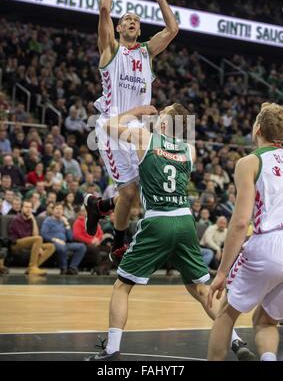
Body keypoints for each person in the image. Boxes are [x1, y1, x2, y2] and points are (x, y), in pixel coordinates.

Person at [85, 104, 255, 361]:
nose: (157, 115)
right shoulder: (190, 149)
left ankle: (111, 350)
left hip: (159, 221)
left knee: (122, 286)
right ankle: (237, 341)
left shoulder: (145, 137)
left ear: (165, 123)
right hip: (185, 221)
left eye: (161, 113)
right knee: (200, 289)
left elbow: (106, 126)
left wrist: (138, 111)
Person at [84, 0, 179, 263]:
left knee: (137, 191)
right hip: (111, 128)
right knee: (130, 192)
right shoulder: (110, 50)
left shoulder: (146, 53)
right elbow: (103, 13)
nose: (132, 22)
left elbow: (173, 29)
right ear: (120, 27)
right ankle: (117, 244)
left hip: (137, 130)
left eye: (136, 20)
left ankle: (100, 207)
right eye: (127, 19)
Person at [207, 102, 283, 361]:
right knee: (266, 321)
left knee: (226, 312)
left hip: (268, 243)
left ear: (258, 129)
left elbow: (240, 222)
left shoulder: (250, 162)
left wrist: (222, 272)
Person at [8, 200, 55, 275]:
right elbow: (23, 236)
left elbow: (35, 235)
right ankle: (32, 267)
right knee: (38, 239)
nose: (28, 209)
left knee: (51, 247)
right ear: (22, 208)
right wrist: (38, 245)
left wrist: (33, 220)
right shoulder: (17, 219)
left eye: (30, 207)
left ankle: (32, 267)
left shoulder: (30, 219)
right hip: (16, 243)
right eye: (26, 207)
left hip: (29, 243)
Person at [41, 202, 86, 275]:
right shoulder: (48, 220)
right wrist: (56, 240)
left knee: (82, 247)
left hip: (65, 243)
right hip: (53, 242)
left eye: (61, 209)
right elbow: (44, 234)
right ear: (53, 210)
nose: (59, 211)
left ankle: (72, 267)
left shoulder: (64, 221)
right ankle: (64, 269)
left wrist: (67, 224)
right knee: (62, 247)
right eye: (57, 209)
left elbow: (70, 238)